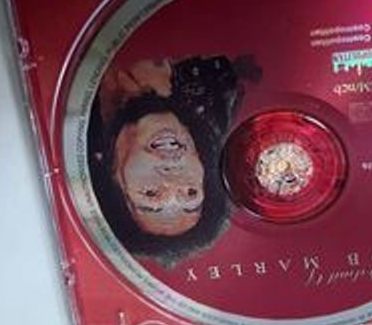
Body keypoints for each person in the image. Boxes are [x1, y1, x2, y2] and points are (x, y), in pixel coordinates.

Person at [88, 54, 260, 266]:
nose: (173, 176)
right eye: (190, 193)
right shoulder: (216, 87)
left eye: (151, 193)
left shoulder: (72, 123)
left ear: (112, 178)